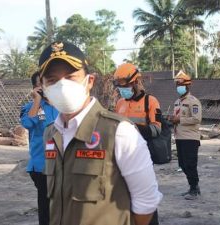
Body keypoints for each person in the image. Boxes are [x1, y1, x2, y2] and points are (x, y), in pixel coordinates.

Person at [39, 41, 162, 225]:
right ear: (43, 88)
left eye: (71, 77)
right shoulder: (50, 134)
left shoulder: (119, 131)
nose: (62, 86)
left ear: (89, 81)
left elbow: (146, 203)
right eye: (52, 80)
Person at [113, 62, 162, 225]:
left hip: (143, 157)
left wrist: (135, 129)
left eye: (125, 86)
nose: (123, 89)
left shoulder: (151, 101)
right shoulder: (120, 103)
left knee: (144, 198)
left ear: (135, 82)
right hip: (122, 158)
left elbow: (157, 129)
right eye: (120, 86)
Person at [20, 71, 58, 225]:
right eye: (42, 83)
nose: (47, 86)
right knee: (46, 208)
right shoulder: (30, 107)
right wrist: (37, 101)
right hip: (41, 166)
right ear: (36, 87)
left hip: (63, 163)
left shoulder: (62, 105)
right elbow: (27, 124)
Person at [170, 71, 202, 200]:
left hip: (190, 138)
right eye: (177, 85)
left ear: (188, 86)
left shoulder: (193, 102)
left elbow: (197, 119)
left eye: (181, 85)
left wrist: (180, 120)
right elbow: (177, 118)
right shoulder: (177, 102)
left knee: (190, 164)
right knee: (182, 164)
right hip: (180, 137)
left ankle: (194, 189)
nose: (179, 87)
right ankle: (193, 186)